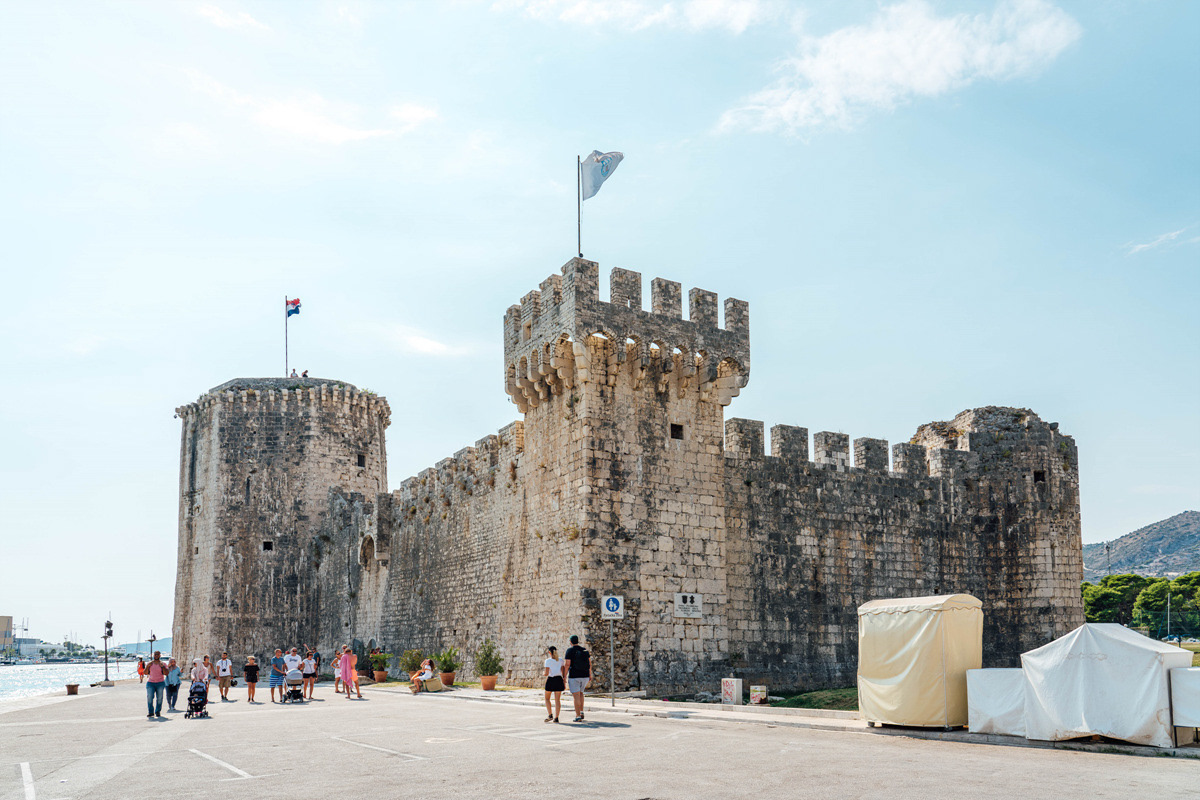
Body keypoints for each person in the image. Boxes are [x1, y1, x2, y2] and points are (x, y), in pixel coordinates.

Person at [564, 634, 591, 723]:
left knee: (576, 696)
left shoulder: (569, 651)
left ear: (570, 642)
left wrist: (564, 676)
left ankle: (578, 715)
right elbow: (589, 664)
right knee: (581, 693)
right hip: (585, 676)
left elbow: (567, 664)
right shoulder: (584, 650)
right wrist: (590, 674)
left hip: (574, 676)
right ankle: (581, 711)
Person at [543, 645, 565, 723]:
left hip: (551, 680)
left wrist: (543, 673)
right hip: (559, 679)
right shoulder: (561, 660)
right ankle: (556, 717)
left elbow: (546, 673)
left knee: (547, 698)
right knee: (557, 700)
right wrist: (564, 681)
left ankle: (550, 715)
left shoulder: (548, 661)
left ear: (549, 652)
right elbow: (563, 672)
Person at [145, 651, 167, 719]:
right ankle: (151, 712)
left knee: (159, 698)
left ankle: (157, 711)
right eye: (155, 654)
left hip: (160, 683)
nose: (156, 655)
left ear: (160, 655)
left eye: (158, 654)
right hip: (150, 683)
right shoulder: (150, 664)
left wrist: (163, 667)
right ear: (153, 655)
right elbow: (145, 673)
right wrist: (147, 666)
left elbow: (166, 673)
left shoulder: (163, 664)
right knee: (149, 697)